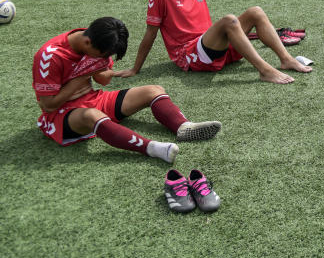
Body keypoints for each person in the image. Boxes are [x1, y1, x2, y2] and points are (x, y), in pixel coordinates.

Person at [33, 17, 221, 163]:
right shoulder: (49, 56)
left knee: (153, 90)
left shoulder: (100, 41)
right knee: (91, 115)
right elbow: (48, 105)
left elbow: (101, 79)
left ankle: (183, 127)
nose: (106, 57)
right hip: (61, 115)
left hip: (93, 100)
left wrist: (105, 72)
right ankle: (152, 148)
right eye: (104, 55)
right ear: (88, 43)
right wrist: (79, 79)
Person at [117, 0, 312, 85]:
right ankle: (265, 70)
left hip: (212, 46)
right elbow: (150, 34)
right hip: (189, 54)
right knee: (229, 20)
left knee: (255, 11)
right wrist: (135, 69)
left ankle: (286, 60)